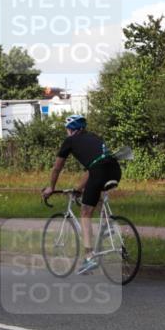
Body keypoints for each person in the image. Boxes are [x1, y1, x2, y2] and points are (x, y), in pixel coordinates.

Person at [42, 115, 122, 274]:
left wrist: (51, 187)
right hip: (115, 169)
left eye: (67, 129)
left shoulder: (69, 141)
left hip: (98, 171)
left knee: (85, 212)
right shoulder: (94, 137)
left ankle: (89, 257)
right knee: (95, 193)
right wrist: (78, 189)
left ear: (71, 129)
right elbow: (92, 168)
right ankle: (107, 227)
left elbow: (57, 168)